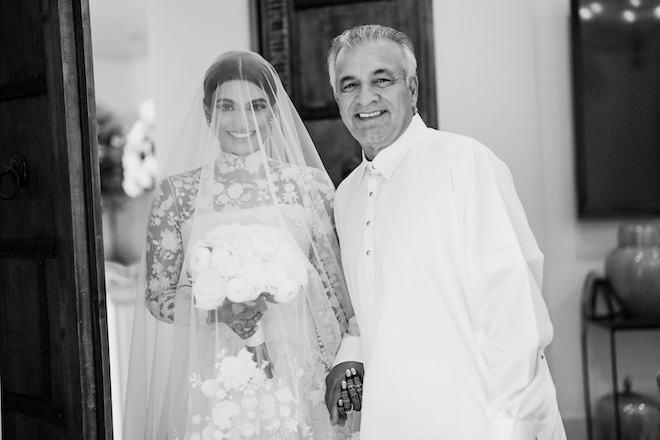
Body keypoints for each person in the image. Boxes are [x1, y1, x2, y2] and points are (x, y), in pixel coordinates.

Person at [324, 24, 567, 440]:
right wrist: (350, 354)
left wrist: (508, 426)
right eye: (350, 85)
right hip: (391, 418)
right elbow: (374, 306)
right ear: (337, 99)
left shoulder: (464, 163)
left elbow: (514, 314)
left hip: (475, 416)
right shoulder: (346, 196)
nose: (366, 98)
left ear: (413, 88)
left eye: (382, 79)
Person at [123, 50, 359, 440]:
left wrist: (342, 363)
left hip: (301, 366)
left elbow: (336, 288)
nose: (241, 120)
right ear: (207, 113)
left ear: (273, 112)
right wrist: (220, 309)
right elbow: (158, 295)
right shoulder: (178, 195)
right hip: (216, 371)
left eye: (256, 106)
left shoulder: (309, 187)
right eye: (226, 106)